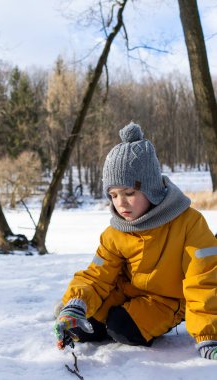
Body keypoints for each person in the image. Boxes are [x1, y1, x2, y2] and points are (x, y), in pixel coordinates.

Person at [54, 122, 217, 359]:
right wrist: (76, 302)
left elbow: (204, 280)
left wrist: (208, 334)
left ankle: (123, 322)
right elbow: (98, 275)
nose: (121, 203)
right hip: (127, 293)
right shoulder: (116, 232)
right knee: (81, 325)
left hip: (166, 300)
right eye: (113, 195)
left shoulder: (188, 223)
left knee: (122, 329)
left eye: (129, 193)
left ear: (151, 189)